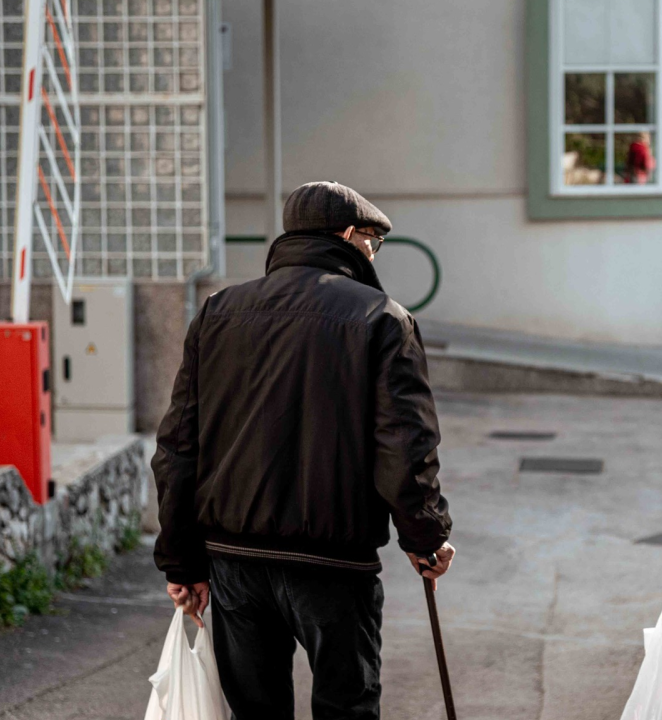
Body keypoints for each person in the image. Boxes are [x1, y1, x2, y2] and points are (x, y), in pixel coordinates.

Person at [153, 181, 455, 720]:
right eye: (372, 242)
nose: (373, 254)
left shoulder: (218, 313)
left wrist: (182, 560)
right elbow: (405, 446)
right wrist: (425, 536)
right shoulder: (382, 318)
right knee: (346, 708)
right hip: (332, 563)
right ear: (348, 234)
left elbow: (178, 446)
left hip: (235, 563)